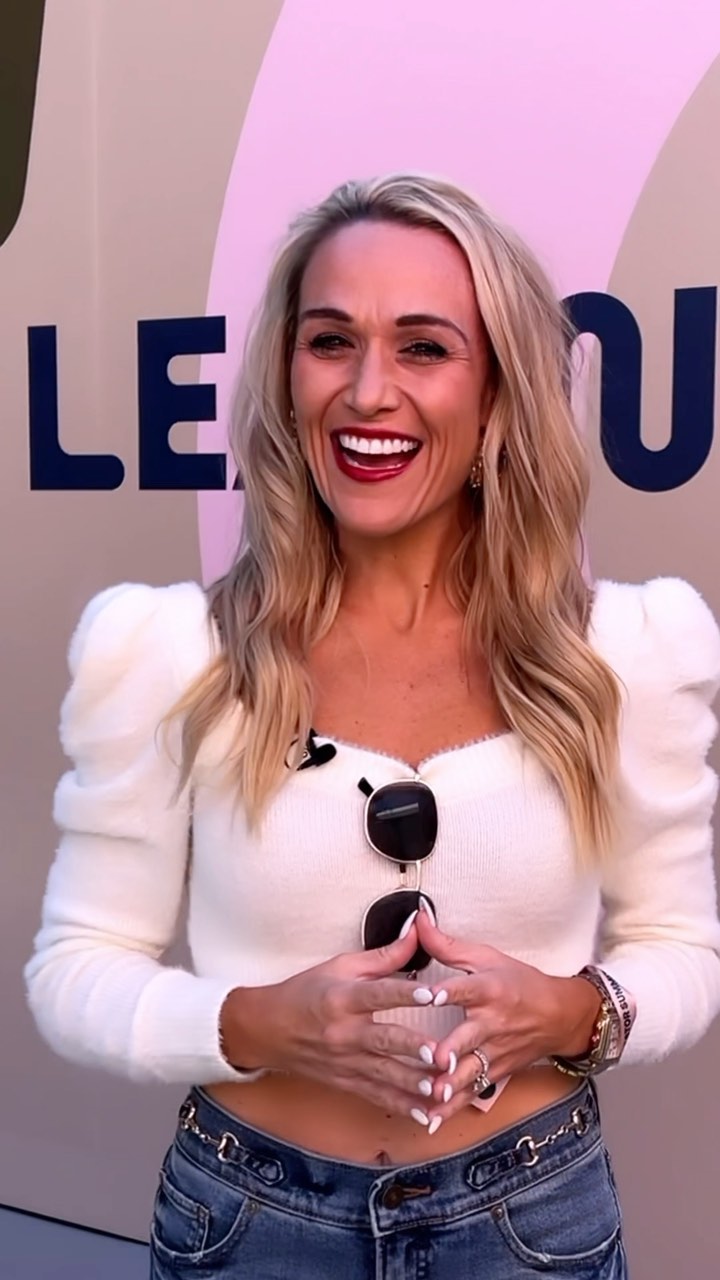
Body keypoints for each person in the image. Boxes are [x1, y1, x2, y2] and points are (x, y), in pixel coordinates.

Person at [24, 173, 720, 1279]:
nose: (367, 390)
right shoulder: (167, 653)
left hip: (531, 1224)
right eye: (331, 340)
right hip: (247, 1223)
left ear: (498, 391)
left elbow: (684, 950)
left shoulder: (627, 651)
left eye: (424, 348)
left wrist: (570, 1013)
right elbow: (74, 970)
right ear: (286, 371)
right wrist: (258, 1025)